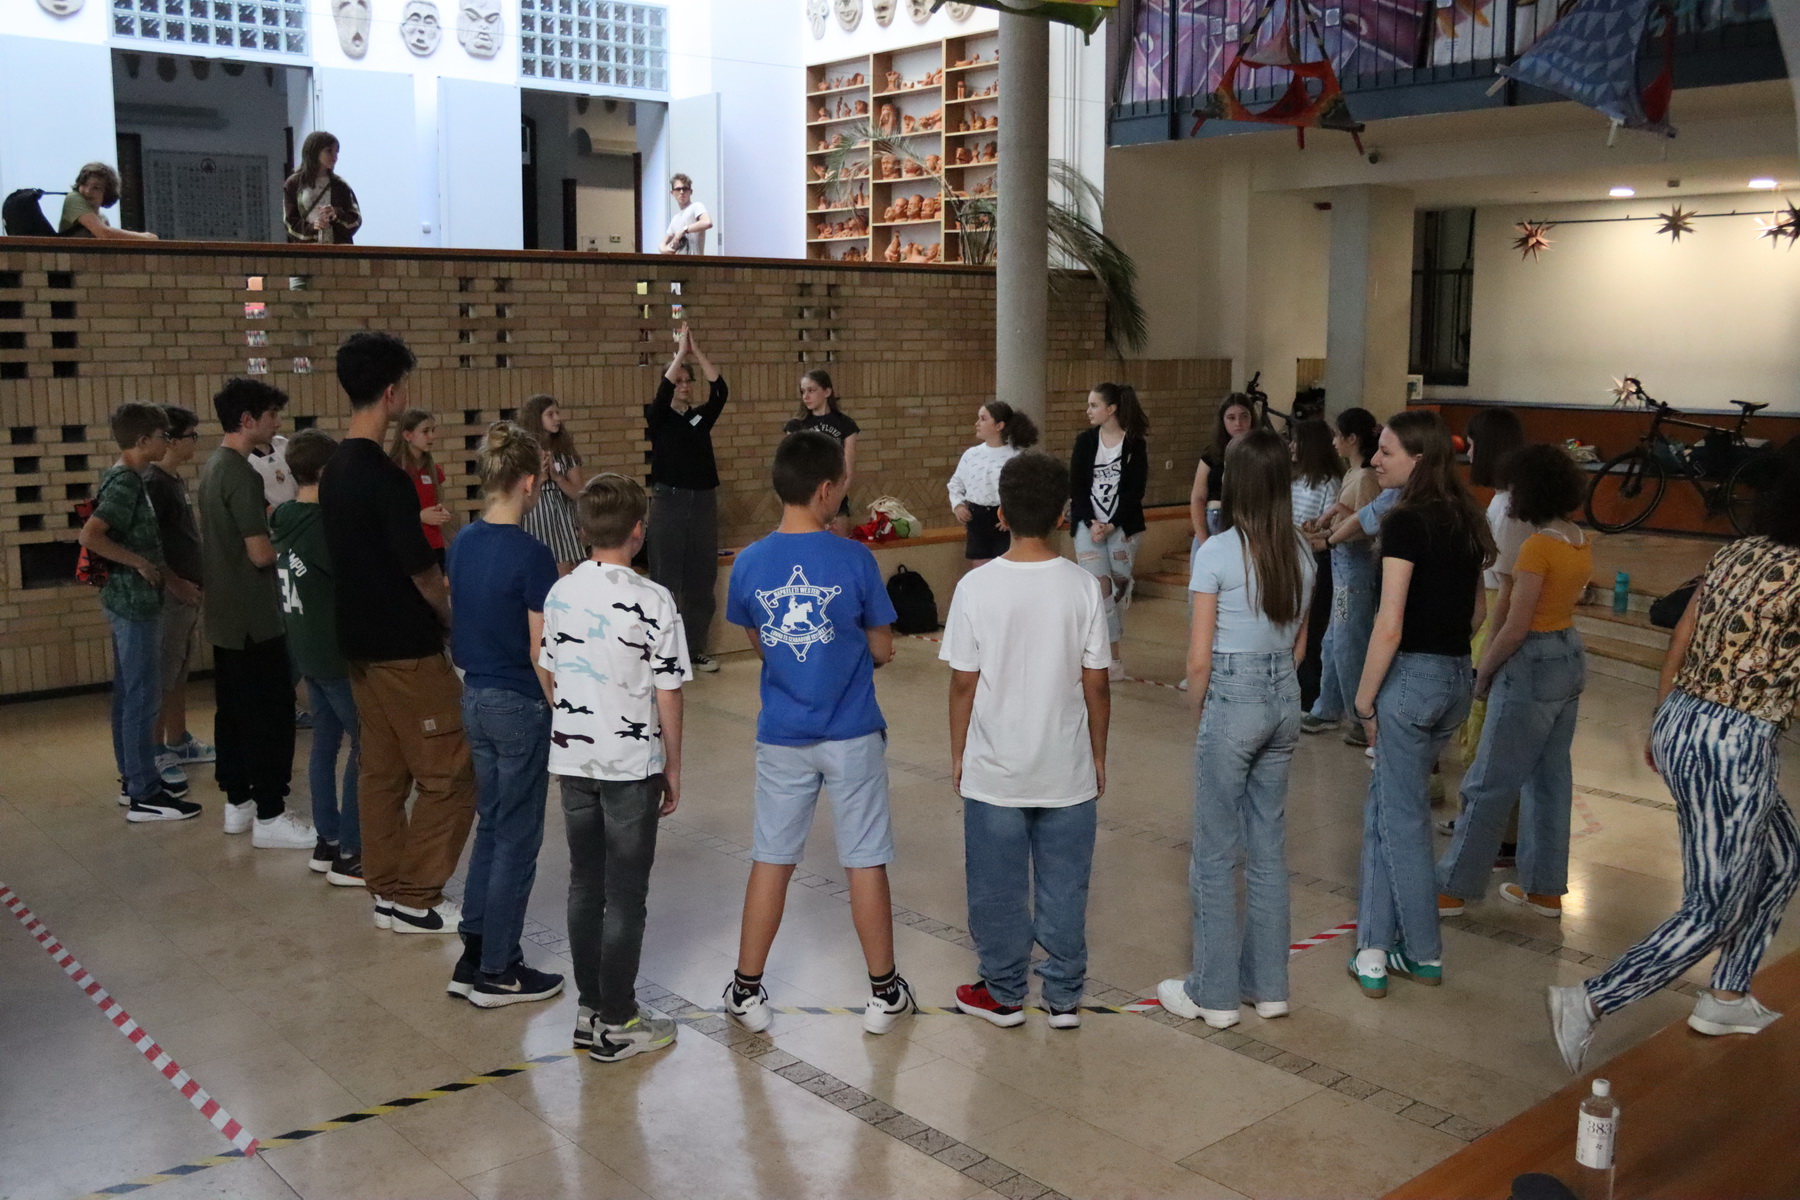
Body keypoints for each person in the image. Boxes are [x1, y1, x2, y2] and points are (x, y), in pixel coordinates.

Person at [1550, 444, 1800, 1071]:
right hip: (1734, 741)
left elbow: (1683, 630)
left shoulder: (1742, 552)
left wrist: (1666, 716)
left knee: (1783, 858)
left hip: (1687, 717)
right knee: (1715, 906)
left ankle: (1726, 996)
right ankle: (1590, 999)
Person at [721, 431, 913, 1036]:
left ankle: (745, 989)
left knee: (772, 858)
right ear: (826, 491)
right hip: (853, 733)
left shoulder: (748, 562)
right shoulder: (854, 559)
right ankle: (884, 993)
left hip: (782, 734)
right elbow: (881, 648)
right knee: (865, 859)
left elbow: (762, 642)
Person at [943, 451, 1110, 1028]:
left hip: (996, 770)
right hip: (1067, 769)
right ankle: (1063, 997)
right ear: (1064, 514)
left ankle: (1004, 991)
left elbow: (963, 684)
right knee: (1066, 886)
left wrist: (959, 754)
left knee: (996, 888)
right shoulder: (1084, 587)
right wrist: (1097, 756)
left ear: (1001, 515)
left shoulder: (975, 586)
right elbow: (1097, 685)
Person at [1157, 430, 1315, 1028]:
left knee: (1216, 852)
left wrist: (1201, 712)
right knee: (1268, 848)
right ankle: (1269, 987)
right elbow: (1300, 648)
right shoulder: (1302, 552)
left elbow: (1198, 659)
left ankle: (1214, 994)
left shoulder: (1218, 552)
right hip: (1284, 698)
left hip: (1233, 696)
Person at [321, 332, 476, 934]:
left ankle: (386, 888)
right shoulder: (386, 478)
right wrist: (452, 617)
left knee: (381, 774)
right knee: (452, 771)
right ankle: (415, 896)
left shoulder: (334, 468)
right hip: (405, 650)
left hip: (358, 646)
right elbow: (423, 573)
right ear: (392, 393)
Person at [541, 472, 691, 1061]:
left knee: (585, 883)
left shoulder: (561, 592)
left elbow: (548, 668)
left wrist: (574, 723)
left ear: (582, 532)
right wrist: (672, 766)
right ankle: (620, 1020)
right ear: (638, 530)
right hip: (630, 768)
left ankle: (590, 1009)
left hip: (574, 762)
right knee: (626, 895)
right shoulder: (654, 600)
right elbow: (669, 691)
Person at [1347, 411, 1493, 998]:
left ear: (1419, 459)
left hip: (1410, 681)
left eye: (1386, 452)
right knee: (1386, 810)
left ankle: (1423, 950)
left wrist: (1364, 701)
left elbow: (1390, 623)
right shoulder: (1466, 515)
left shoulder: (1407, 522)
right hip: (1455, 678)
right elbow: (1479, 612)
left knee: (1401, 820)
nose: (1374, 460)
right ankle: (1374, 949)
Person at [1437, 444, 1591, 920]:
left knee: (1489, 780)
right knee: (1550, 780)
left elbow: (1516, 626)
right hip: (1568, 655)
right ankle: (1545, 888)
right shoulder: (1578, 539)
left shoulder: (1536, 548)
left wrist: (1483, 672)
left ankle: (1453, 887)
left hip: (1532, 664)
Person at [443, 422, 566, 1007]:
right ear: (529, 482)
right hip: (518, 703)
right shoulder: (533, 555)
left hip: (473, 697)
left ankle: (473, 954)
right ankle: (499, 968)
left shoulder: (464, 541)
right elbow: (542, 650)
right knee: (517, 836)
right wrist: (561, 710)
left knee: (491, 825)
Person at [199, 379, 312, 849]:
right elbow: (261, 553)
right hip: (254, 617)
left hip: (225, 615)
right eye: (271, 415)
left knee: (233, 712)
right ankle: (270, 813)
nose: (278, 423)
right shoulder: (243, 474)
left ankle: (239, 803)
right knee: (269, 714)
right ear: (247, 420)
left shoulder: (212, 466)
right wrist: (295, 542)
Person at [81, 403, 198, 821]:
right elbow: (91, 536)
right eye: (163, 435)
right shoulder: (127, 482)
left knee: (132, 694)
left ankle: (134, 780)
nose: (168, 442)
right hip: (133, 604)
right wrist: (140, 564)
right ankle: (145, 793)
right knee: (142, 696)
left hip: (133, 601)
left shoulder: (129, 477)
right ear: (143, 440)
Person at [271, 429, 364, 886]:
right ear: (326, 473)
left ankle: (327, 840)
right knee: (367, 743)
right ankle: (351, 850)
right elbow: (354, 581)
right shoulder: (324, 526)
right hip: (334, 652)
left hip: (305, 647)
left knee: (325, 742)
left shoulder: (284, 517)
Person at [1452, 407, 1532, 771]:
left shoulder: (1509, 507)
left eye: (1472, 445)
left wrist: (1486, 646)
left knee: (1481, 707)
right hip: (1489, 605)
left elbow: (1507, 586)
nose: (1469, 453)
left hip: (1496, 613)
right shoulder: (1505, 499)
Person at [645, 325, 727, 674]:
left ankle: (695, 649)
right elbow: (662, 394)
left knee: (701, 580)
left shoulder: (698, 418)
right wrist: (679, 354)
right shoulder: (659, 417)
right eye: (678, 381)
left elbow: (720, 391)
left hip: (703, 501)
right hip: (670, 501)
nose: (683, 385)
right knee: (666, 579)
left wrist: (696, 352)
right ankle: (664, 652)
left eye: (687, 381)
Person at [141, 405, 214, 792]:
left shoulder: (173, 480)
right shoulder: (153, 482)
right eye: (190, 436)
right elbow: (151, 545)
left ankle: (178, 738)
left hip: (189, 589)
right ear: (169, 440)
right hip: (171, 594)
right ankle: (155, 750)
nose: (194, 443)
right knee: (162, 674)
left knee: (180, 668)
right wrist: (175, 583)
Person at [1301, 408, 1383, 740]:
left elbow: (1365, 525)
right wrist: (1321, 531)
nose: (1334, 441)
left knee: (1350, 644)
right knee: (1333, 641)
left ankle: (1361, 717)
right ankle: (1328, 707)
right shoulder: (1353, 474)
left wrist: (1330, 528)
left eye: (1338, 435)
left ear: (1352, 439)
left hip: (1355, 571)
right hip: (1341, 566)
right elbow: (1345, 522)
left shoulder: (1365, 478)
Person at [1069, 382, 1150, 682]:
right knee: (1098, 590)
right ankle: (1105, 657)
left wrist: (1112, 524)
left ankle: (1111, 650)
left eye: (1094, 405)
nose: (1088, 411)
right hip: (1088, 527)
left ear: (1111, 409)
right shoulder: (1085, 442)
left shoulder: (1134, 444)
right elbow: (1077, 487)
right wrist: (1092, 522)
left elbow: (1135, 490)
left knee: (1116, 590)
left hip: (1122, 528)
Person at [947, 401, 1040, 568]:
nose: (977, 423)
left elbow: (1026, 492)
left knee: (1006, 565)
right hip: (977, 516)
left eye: (983, 419)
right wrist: (958, 505)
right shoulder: (971, 454)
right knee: (980, 567)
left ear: (999, 426)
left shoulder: (1016, 456)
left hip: (1003, 518)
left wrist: (1012, 516)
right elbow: (955, 484)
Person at [1290, 418, 1341, 712]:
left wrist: (1308, 531)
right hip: (1291, 559)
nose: (1292, 446)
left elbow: (1329, 529)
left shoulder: (1329, 483)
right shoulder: (1293, 479)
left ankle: (1310, 695)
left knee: (1313, 629)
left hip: (1316, 562)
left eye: (1297, 440)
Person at [784, 370, 859, 536]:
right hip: (806, 501)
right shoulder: (796, 426)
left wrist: (833, 504)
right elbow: (794, 470)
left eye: (811, 390)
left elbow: (847, 472)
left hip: (835, 498)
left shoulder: (846, 425)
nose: (806, 397)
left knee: (837, 545)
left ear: (827, 392)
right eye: (803, 392)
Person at [518, 393, 587, 574]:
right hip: (533, 519)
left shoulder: (565, 451)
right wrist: (538, 479)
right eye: (550, 414)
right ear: (536, 418)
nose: (557, 418)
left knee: (562, 575)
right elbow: (516, 492)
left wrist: (558, 478)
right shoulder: (523, 453)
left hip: (561, 521)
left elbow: (579, 493)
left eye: (557, 413)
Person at [389, 408, 454, 569]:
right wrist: (419, 517)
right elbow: (389, 514)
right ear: (407, 435)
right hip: (408, 546)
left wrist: (441, 513)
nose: (432, 436)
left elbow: (437, 502)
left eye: (433, 430)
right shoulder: (393, 470)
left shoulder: (433, 470)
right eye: (425, 431)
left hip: (435, 545)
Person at [1189, 394, 1255, 548]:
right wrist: (1203, 540)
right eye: (1231, 418)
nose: (1238, 423)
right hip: (1214, 517)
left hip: (1244, 520)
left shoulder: (1259, 453)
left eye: (1244, 416)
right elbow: (1198, 497)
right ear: (1223, 420)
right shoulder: (1213, 452)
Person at [283, 131, 362, 245]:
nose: (335, 156)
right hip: (306, 250)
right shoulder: (293, 183)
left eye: (336, 152)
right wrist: (312, 228)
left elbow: (356, 220)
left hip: (338, 249)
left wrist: (337, 214)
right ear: (314, 151)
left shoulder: (341, 185)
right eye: (329, 151)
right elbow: (289, 222)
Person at [59, 163, 158, 241]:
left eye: (96, 188)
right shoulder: (73, 198)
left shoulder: (103, 219)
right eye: (84, 184)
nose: (88, 191)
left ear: (106, 193)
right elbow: (104, 233)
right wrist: (145, 237)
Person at [659, 173, 712, 254]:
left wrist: (684, 230)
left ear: (690, 191)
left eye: (685, 189)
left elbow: (707, 222)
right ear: (672, 193)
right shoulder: (675, 219)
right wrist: (663, 249)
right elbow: (663, 243)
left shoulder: (696, 206)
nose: (682, 192)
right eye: (678, 189)